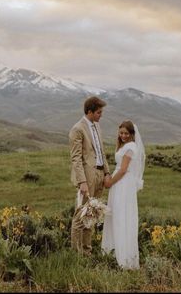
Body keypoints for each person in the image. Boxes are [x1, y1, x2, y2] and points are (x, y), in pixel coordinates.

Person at [69, 96, 111, 255]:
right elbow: (76, 158)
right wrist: (82, 181)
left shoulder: (97, 127)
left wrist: (107, 172)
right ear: (90, 111)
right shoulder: (77, 129)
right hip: (87, 177)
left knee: (92, 215)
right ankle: (76, 254)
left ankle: (87, 252)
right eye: (99, 112)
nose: (102, 115)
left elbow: (102, 152)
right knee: (80, 216)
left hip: (100, 174)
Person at [101, 120, 146, 269]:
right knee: (117, 214)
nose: (123, 136)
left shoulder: (131, 147)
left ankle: (124, 257)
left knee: (122, 216)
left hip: (122, 184)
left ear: (132, 134)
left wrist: (110, 182)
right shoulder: (124, 146)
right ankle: (113, 251)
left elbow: (123, 169)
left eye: (126, 133)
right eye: (121, 133)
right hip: (120, 183)